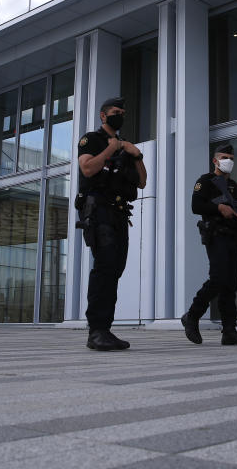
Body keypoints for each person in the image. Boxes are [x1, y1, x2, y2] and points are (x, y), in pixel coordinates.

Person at [76, 96, 146, 351]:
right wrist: (110, 148)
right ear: (103, 116)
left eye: (123, 112)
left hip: (118, 213)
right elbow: (87, 169)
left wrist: (135, 154)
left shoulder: (126, 146)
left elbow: (142, 182)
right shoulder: (91, 140)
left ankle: (105, 329)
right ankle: (97, 330)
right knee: (104, 267)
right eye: (116, 111)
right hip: (99, 209)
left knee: (116, 268)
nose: (121, 115)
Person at [182, 144, 237, 346]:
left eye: (231, 157)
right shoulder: (205, 181)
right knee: (218, 278)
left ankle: (230, 331)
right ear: (215, 160)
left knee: (231, 284)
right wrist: (218, 207)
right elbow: (196, 206)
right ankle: (193, 315)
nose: (228, 161)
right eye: (224, 157)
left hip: (235, 237)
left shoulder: (235, 186)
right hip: (216, 235)